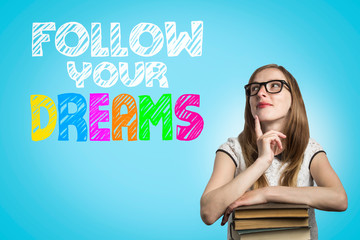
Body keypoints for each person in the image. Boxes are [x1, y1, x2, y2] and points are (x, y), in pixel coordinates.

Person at [200, 64, 347, 240]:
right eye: (255, 88)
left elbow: (339, 199)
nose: (261, 93)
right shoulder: (232, 149)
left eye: (274, 86)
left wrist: (265, 193)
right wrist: (262, 162)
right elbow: (208, 213)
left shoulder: (310, 149)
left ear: (293, 99)